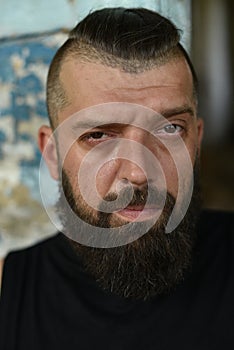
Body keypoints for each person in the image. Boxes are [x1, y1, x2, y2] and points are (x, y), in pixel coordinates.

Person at [0, 7, 234, 350]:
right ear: (52, 154)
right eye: (99, 136)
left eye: (170, 129)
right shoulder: (9, 294)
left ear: (196, 144)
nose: (138, 173)